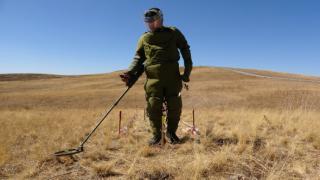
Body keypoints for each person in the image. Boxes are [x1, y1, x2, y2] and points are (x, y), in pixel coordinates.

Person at [120, 7, 193, 145]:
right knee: (153, 106)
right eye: (148, 21)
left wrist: (187, 71)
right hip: (153, 80)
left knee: (174, 106)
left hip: (173, 78)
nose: (151, 24)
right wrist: (129, 72)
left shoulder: (173, 32)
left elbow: (185, 49)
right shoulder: (144, 38)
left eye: (154, 20)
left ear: (161, 19)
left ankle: (171, 133)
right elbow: (138, 57)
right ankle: (156, 136)